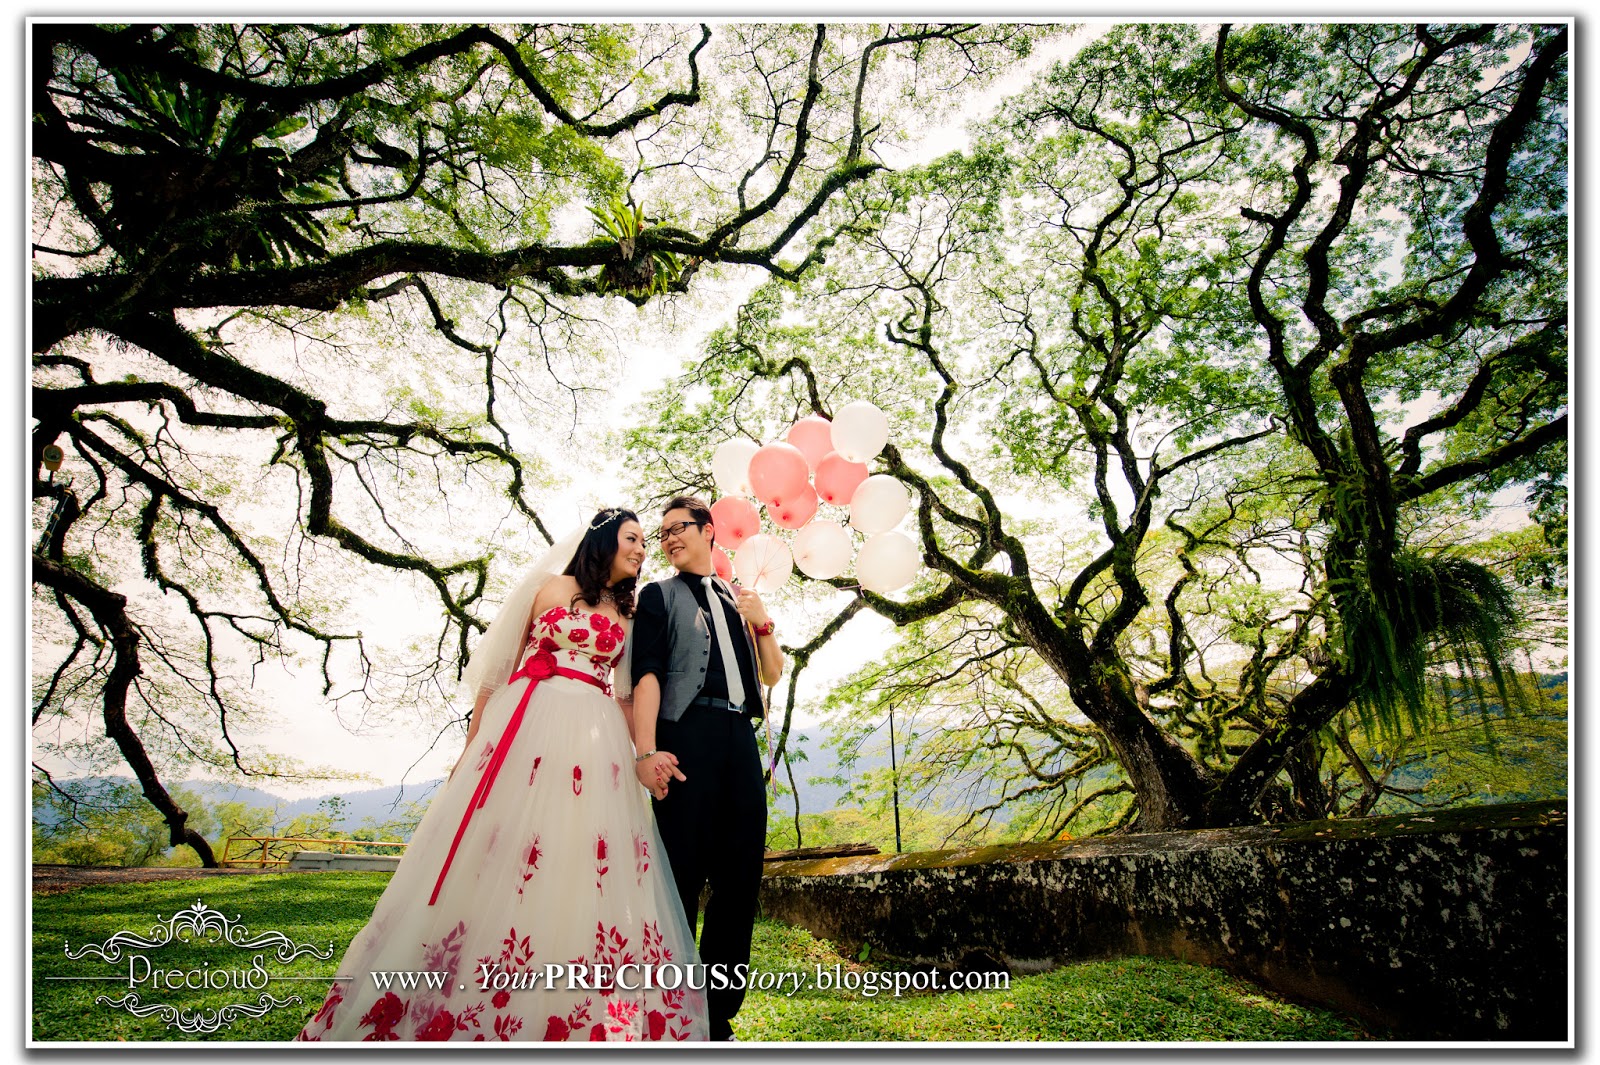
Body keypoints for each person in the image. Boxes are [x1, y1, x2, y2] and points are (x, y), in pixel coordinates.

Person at [296, 508, 709, 1042]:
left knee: (574, 852)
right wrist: (472, 751)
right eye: (632, 539)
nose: (641, 550)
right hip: (527, 722)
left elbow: (627, 697)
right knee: (502, 845)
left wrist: (643, 755)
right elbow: (495, 677)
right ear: (602, 542)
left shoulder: (629, 618)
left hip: (594, 736)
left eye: (643, 544)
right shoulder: (548, 588)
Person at [626, 495, 785, 1042]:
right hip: (685, 737)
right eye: (662, 533)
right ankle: (669, 1008)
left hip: (740, 736)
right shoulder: (657, 596)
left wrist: (762, 623)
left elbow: (772, 675)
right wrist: (646, 751)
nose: (668, 539)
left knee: (740, 878)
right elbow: (644, 672)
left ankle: (718, 1016)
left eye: (679, 528)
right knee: (682, 876)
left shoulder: (739, 596)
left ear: (708, 531)